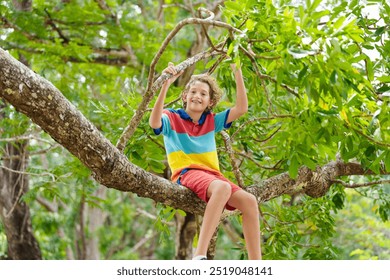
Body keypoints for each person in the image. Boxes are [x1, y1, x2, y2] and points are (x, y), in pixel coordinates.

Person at [149, 62, 262, 260]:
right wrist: (165, 85)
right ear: (185, 96)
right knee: (222, 189)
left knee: (250, 201)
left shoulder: (211, 121)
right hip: (187, 173)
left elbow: (242, 108)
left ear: (210, 102)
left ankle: (256, 265)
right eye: (193, 91)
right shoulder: (172, 117)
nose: (197, 96)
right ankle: (199, 255)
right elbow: (154, 123)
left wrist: (237, 69)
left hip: (212, 176)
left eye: (203, 94)